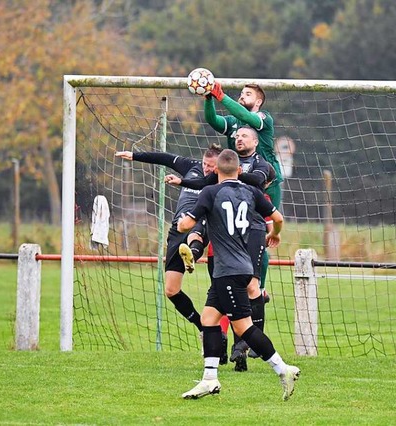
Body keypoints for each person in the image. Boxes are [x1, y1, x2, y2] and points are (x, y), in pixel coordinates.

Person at [177, 149, 300, 401]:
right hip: (242, 267)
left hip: (228, 272)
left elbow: (187, 225)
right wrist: (274, 233)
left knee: (243, 327)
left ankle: (282, 369)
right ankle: (209, 379)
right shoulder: (252, 192)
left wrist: (181, 224)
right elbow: (278, 217)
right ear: (239, 170)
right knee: (209, 318)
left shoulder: (211, 192)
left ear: (216, 171)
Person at [166, 127, 271, 372]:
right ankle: (216, 368)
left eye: (244, 135)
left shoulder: (260, 166)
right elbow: (204, 181)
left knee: (249, 291)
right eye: (237, 136)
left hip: (251, 235)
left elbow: (263, 187)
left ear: (256, 140)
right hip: (223, 243)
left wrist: (273, 232)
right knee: (215, 307)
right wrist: (183, 181)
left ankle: (256, 351)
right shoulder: (215, 183)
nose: (239, 138)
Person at [114, 146, 227, 362]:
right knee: (171, 290)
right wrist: (135, 155)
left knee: (195, 231)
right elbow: (164, 158)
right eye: (205, 164)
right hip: (177, 230)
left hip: (201, 222)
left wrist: (180, 182)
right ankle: (203, 327)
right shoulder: (191, 167)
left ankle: (192, 254)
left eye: (211, 167)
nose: (207, 169)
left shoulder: (218, 180)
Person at [203, 81, 283, 209]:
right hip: (240, 181)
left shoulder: (264, 118)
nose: (242, 96)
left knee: (267, 225)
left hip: (267, 182)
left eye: (248, 94)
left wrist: (222, 96)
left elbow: (244, 115)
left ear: (258, 102)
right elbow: (211, 119)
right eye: (241, 93)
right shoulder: (232, 121)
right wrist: (208, 98)